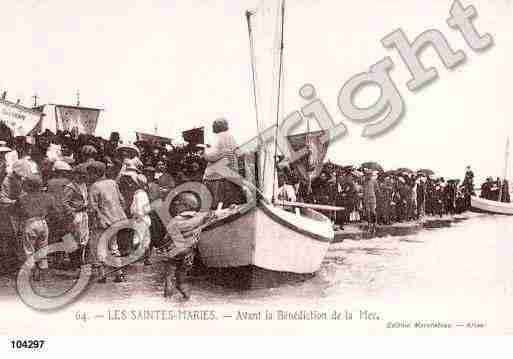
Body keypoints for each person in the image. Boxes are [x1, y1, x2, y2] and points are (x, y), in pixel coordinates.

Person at [88, 161, 128, 283]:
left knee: (98, 248)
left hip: (102, 221)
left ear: (96, 173)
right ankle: (119, 274)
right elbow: (122, 200)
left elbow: (93, 207)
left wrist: (97, 219)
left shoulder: (94, 186)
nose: (89, 176)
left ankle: (102, 274)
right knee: (114, 246)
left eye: (90, 174)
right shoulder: (112, 183)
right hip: (115, 220)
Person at [15, 174, 57, 281]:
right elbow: (54, 211)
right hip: (43, 222)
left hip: (29, 223)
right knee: (42, 247)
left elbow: (17, 212)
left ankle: (32, 271)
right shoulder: (48, 197)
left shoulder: (22, 198)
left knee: (29, 249)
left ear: (28, 186)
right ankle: (42, 271)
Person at [202, 118, 240, 209]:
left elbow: (208, 157)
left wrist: (221, 154)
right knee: (231, 207)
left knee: (214, 207)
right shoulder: (231, 138)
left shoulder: (211, 138)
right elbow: (239, 153)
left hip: (214, 178)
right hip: (230, 177)